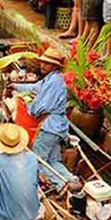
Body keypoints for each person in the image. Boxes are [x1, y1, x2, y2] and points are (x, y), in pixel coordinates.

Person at [11, 48, 78, 190]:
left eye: (47, 64)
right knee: (53, 161)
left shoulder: (54, 82)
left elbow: (38, 109)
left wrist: (28, 104)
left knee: (38, 161)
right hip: (58, 127)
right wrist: (15, 86)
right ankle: (72, 179)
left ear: (54, 66)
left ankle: (61, 185)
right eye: (42, 63)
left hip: (49, 127)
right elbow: (35, 87)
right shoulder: (50, 79)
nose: (42, 66)